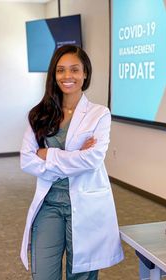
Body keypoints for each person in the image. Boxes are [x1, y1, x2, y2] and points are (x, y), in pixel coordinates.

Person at [20, 44, 124, 280]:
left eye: (74, 70)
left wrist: (48, 154)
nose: (67, 76)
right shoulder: (39, 114)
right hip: (49, 204)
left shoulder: (99, 114)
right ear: (54, 75)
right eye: (61, 70)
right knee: (43, 274)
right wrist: (74, 157)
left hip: (86, 204)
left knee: (82, 276)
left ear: (85, 73)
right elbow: (27, 161)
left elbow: (93, 159)